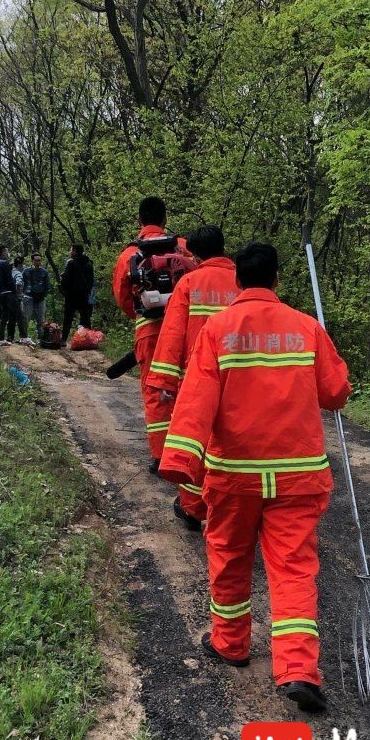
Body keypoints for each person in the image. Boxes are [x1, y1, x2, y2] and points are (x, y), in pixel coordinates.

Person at [158, 242, 351, 714]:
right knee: (293, 571)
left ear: (238, 284)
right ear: (277, 281)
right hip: (298, 479)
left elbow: (197, 398)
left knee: (229, 557)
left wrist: (182, 461)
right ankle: (300, 669)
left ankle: (230, 643)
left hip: (234, 477)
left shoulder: (219, 330)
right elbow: (336, 394)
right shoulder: (307, 328)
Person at [146, 225, 240, 530]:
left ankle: (193, 507)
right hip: (239, 378)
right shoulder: (245, 282)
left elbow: (173, 335)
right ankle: (232, 505)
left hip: (196, 380)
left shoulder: (190, 283)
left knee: (196, 444)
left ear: (196, 256)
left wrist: (163, 382)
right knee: (232, 444)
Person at [112, 196, 190, 474]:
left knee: (155, 391)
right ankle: (186, 452)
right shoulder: (182, 247)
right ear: (165, 219)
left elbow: (122, 297)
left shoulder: (130, 255)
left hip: (149, 332)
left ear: (140, 221)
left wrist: (141, 313)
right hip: (183, 331)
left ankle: (160, 457)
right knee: (185, 389)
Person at [60, 244, 95, 344]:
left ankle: (63, 340)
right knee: (85, 317)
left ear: (75, 251)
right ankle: (89, 340)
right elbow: (92, 280)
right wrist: (87, 290)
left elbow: (65, 279)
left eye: (71, 250)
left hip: (72, 295)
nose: (70, 252)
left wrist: (64, 289)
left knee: (68, 318)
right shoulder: (89, 263)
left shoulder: (71, 263)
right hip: (84, 295)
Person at [0, 245, 18, 346]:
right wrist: (15, 291)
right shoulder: (5, 263)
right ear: (3, 252)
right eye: (7, 251)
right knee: (15, 314)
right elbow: (10, 279)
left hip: (0, 293)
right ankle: (13, 337)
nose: (8, 253)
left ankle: (1, 338)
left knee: (4, 316)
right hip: (8, 293)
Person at [23, 252, 51, 339]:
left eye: (39, 260)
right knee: (26, 317)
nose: (38, 262)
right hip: (29, 297)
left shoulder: (44, 272)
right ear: (32, 261)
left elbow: (47, 285)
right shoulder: (26, 271)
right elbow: (22, 283)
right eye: (36, 260)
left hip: (40, 298)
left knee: (40, 318)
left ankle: (41, 336)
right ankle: (24, 336)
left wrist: (44, 295)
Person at [11, 256, 34, 346]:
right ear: (20, 265)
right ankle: (24, 337)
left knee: (12, 319)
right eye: (22, 264)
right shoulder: (18, 273)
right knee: (21, 318)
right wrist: (19, 294)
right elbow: (19, 283)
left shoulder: (11, 271)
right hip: (16, 298)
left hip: (9, 298)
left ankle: (11, 337)